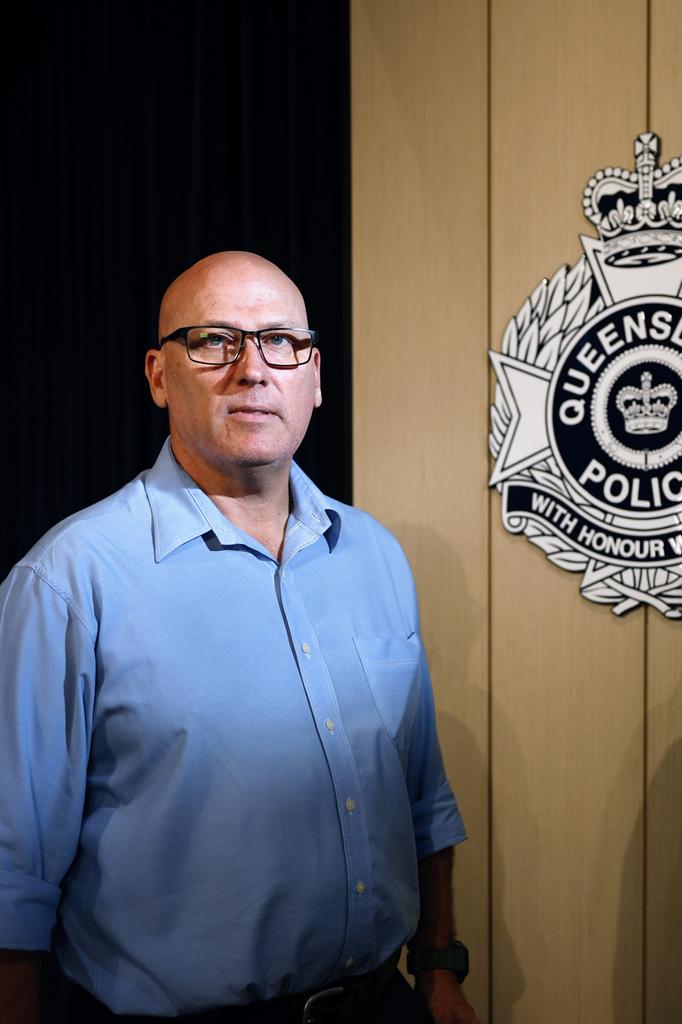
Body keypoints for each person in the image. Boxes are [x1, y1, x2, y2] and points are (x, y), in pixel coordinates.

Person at [0, 252, 481, 1024]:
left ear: (314, 377)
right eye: (215, 341)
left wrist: (439, 970)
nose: (253, 369)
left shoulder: (376, 557)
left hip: (383, 1007)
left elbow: (423, 799)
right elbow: (11, 870)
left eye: (280, 341)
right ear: (159, 376)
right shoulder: (69, 581)